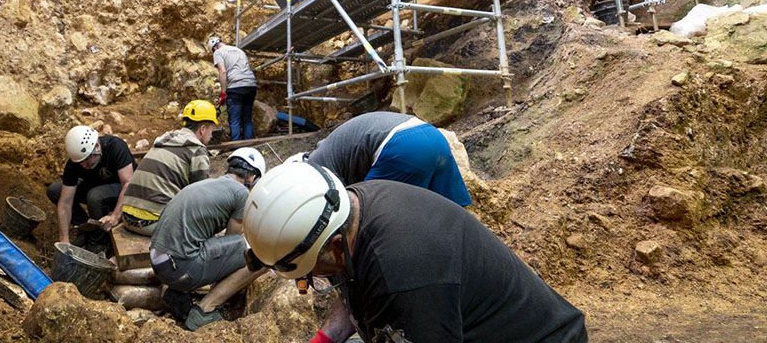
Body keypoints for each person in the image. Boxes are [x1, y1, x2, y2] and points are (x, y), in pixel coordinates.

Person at [243, 162, 588, 343]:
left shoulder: (405, 276)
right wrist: (324, 339)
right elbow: (353, 290)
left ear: (333, 245)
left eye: (313, 273)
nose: (315, 280)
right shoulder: (346, 209)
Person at [149, 147, 269, 331]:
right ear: (252, 177)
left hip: (160, 264)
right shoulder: (241, 194)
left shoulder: (206, 185)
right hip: (179, 269)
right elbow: (234, 243)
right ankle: (205, 310)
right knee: (258, 255)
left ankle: (179, 294)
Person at [304, 110, 472, 207]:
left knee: (368, 214)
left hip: (401, 146)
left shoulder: (315, 172)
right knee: (453, 211)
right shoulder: (329, 150)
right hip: (433, 135)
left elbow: (340, 211)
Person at [119, 100, 218, 235]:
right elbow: (200, 196)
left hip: (127, 218)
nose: (211, 135)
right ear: (203, 129)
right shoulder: (196, 150)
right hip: (152, 223)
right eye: (211, 129)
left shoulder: (164, 141)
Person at [47, 125, 135, 244]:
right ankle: (85, 226)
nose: (84, 165)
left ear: (97, 147)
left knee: (95, 196)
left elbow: (129, 183)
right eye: (80, 162)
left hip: (122, 188)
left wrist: (115, 216)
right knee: (55, 190)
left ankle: (99, 241)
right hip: (96, 187)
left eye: (87, 160)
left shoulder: (115, 147)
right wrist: (64, 240)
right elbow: (65, 203)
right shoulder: (75, 163)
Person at [208, 34, 258, 140]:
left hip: (236, 87)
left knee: (235, 120)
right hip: (251, 85)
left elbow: (222, 71)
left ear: (214, 47)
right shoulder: (239, 50)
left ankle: (236, 147)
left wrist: (223, 92)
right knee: (247, 119)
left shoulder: (218, 52)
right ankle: (249, 145)